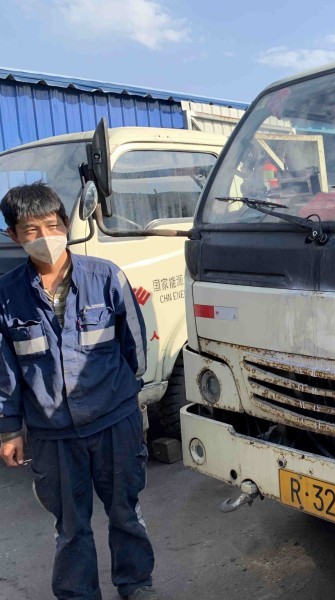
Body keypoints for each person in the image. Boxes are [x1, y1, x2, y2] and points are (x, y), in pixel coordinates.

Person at [0, 183, 157, 600]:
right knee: (70, 526)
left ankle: (136, 584)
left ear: (66, 225)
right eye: (31, 230)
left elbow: (135, 348)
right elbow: (5, 371)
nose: (45, 237)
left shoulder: (105, 277)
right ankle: (78, 594)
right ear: (13, 236)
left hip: (113, 423)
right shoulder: (6, 296)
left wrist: (129, 404)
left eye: (53, 225)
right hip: (52, 435)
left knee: (125, 512)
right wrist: (10, 429)